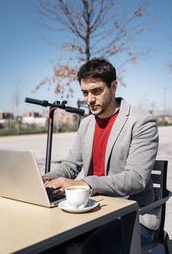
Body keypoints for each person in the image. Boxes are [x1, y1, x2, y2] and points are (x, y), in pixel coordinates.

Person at [43, 58, 159, 254]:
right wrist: (47, 178)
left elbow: (136, 179)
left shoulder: (142, 122)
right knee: (46, 239)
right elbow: (71, 164)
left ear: (113, 86)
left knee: (93, 249)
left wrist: (84, 184)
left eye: (96, 91)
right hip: (93, 210)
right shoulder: (86, 124)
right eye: (85, 93)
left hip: (133, 216)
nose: (89, 99)